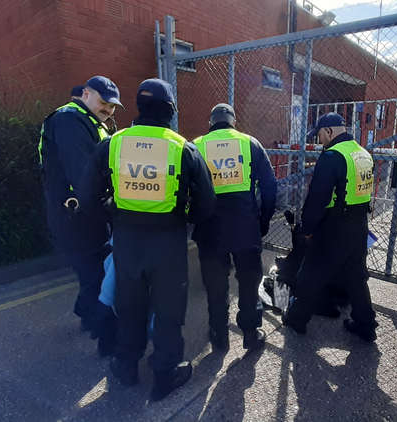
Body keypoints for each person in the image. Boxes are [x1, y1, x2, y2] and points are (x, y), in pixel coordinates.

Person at [78, 78, 215, 401]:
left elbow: (87, 196)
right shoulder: (183, 147)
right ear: (169, 110)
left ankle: (126, 366)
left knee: (130, 305)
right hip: (168, 242)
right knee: (168, 311)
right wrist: (185, 217)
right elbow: (207, 204)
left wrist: (114, 217)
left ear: (139, 107)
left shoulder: (113, 143)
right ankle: (165, 375)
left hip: (127, 240)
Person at [283, 112, 378, 342]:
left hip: (335, 225)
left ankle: (296, 320)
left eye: (320, 135)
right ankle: (366, 324)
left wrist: (306, 228)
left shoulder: (332, 156)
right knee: (356, 277)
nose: (319, 141)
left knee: (311, 273)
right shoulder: (362, 153)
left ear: (329, 131)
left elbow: (318, 198)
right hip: (359, 224)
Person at [38, 75, 121, 331]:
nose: (108, 109)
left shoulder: (92, 121)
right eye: (104, 102)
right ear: (86, 94)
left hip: (86, 212)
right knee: (93, 272)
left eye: (113, 105)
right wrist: (112, 209)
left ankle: (87, 313)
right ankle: (98, 326)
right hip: (74, 214)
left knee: (95, 270)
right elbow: (84, 174)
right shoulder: (68, 120)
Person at [192, 103, 277, 352]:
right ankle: (251, 332)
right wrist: (263, 220)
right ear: (233, 122)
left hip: (209, 229)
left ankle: (219, 336)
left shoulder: (195, 145)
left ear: (211, 123)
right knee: (249, 282)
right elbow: (270, 187)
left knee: (216, 285)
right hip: (244, 226)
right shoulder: (250, 143)